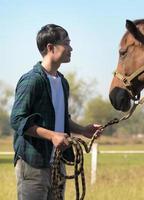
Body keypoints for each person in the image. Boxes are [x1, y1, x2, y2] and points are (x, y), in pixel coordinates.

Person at [10, 24, 102, 200]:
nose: (71, 48)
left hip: (57, 164)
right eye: (66, 43)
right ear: (51, 48)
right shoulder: (32, 80)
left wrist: (83, 129)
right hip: (33, 164)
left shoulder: (62, 82)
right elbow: (17, 119)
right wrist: (52, 136)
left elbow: (60, 119)